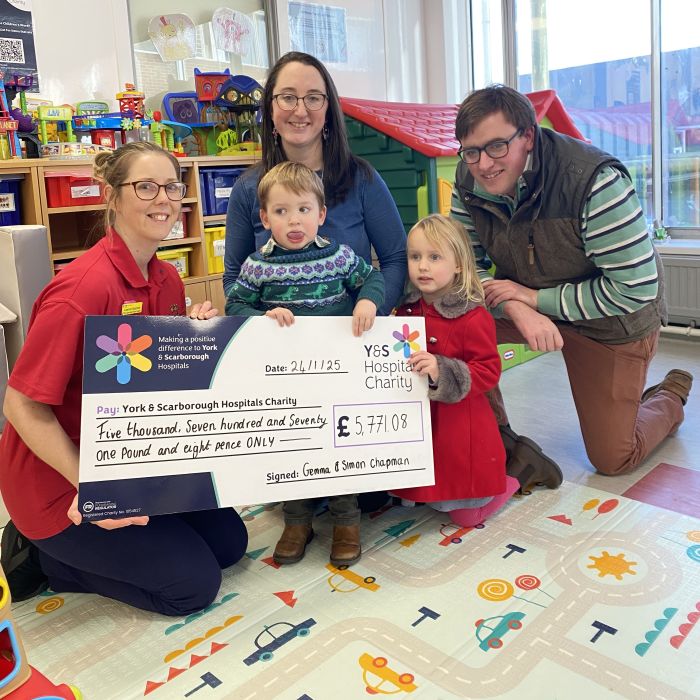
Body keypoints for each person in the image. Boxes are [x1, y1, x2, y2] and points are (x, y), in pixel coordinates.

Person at [0, 142, 248, 615]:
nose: (164, 200)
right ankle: (49, 559)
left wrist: (195, 340)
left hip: (129, 458)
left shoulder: (168, 279)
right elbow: (20, 406)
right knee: (193, 587)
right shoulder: (82, 289)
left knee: (229, 543)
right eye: (146, 187)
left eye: (172, 187)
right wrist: (92, 488)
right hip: (59, 482)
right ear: (113, 196)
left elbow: (156, 382)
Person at [450, 84, 693, 476]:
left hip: (613, 318)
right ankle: (498, 438)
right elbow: (461, 266)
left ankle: (669, 396)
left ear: (528, 136)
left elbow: (634, 288)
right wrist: (516, 305)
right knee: (449, 322)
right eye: (471, 151)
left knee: (613, 459)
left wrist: (535, 299)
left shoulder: (594, 181)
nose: (483, 164)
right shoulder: (467, 180)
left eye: (497, 146)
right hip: (524, 299)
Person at [226, 161, 385, 566]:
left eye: (303, 209)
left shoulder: (340, 257)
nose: (293, 220)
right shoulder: (257, 266)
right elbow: (236, 302)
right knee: (291, 448)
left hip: (337, 380)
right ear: (264, 218)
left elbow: (373, 279)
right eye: (280, 212)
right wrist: (259, 318)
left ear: (321, 214)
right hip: (284, 383)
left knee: (339, 445)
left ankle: (346, 520)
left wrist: (368, 300)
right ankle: (297, 521)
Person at [224, 51, 406, 318]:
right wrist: (260, 324)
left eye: (313, 98)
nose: (300, 110)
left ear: (328, 108)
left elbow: (396, 260)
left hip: (353, 340)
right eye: (287, 97)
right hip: (278, 349)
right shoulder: (248, 187)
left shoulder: (362, 178)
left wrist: (370, 310)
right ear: (270, 108)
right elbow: (233, 279)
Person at [390, 215, 520, 526]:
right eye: (415, 256)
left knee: (464, 515)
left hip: (459, 429)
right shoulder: (404, 310)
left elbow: (488, 370)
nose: (423, 266)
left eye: (435, 257)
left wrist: (443, 370)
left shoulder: (473, 316)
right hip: (418, 421)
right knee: (416, 496)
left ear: (459, 264)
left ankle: (510, 484)